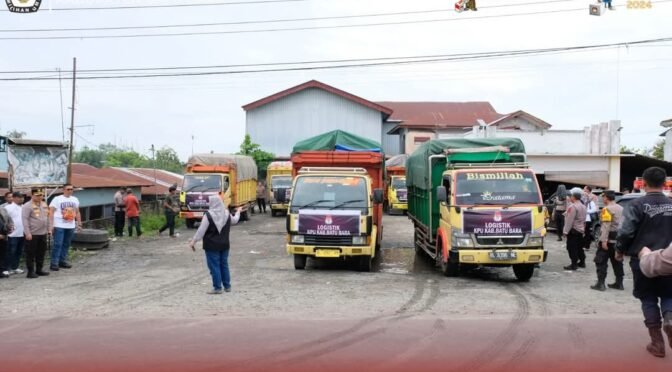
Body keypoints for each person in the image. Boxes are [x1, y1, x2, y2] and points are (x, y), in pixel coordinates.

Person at [616, 167, 672, 358]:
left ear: (644, 184)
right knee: (669, 295)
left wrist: (619, 250)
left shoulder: (635, 205)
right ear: (664, 183)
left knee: (648, 298)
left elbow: (625, 232)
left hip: (642, 260)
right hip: (669, 260)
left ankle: (657, 344)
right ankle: (670, 319)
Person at [189, 195, 241, 294]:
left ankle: (217, 288)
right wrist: (238, 211)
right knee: (224, 265)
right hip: (224, 244)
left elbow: (201, 231)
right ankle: (227, 286)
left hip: (211, 246)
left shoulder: (208, 215)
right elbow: (235, 220)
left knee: (214, 266)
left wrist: (193, 241)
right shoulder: (226, 213)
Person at [591, 190, 624, 291]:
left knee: (601, 261)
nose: (602, 198)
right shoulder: (621, 208)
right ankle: (619, 283)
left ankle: (600, 284)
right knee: (617, 261)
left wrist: (604, 240)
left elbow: (606, 226)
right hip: (618, 239)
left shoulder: (606, 209)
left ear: (606, 198)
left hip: (608, 238)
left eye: (603, 197)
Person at [49, 184, 82, 271]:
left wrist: (79, 223)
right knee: (58, 244)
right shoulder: (57, 199)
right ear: (63, 190)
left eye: (71, 189)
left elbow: (77, 212)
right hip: (59, 224)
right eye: (68, 189)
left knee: (66, 244)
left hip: (70, 225)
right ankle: (54, 263)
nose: (70, 191)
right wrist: (51, 225)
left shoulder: (75, 199)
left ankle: (62, 261)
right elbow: (51, 212)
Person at [22, 188, 50, 278]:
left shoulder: (44, 204)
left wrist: (49, 228)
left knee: (41, 252)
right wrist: (27, 233)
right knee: (31, 253)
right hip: (32, 234)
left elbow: (47, 217)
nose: (39, 197)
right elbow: (25, 220)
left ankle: (39, 270)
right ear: (32, 195)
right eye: (37, 195)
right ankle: (30, 272)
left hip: (43, 233)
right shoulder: (27, 205)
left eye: (41, 195)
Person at [563, 188, 587, 271]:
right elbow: (584, 219)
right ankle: (582, 262)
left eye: (571, 196)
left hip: (573, 230)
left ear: (573, 197)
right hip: (580, 229)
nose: (569, 197)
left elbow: (569, 220)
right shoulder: (583, 206)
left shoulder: (573, 206)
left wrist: (565, 231)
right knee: (579, 247)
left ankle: (574, 264)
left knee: (571, 247)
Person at [5, 191, 26, 275]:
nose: (21, 199)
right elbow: (5, 220)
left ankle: (15, 267)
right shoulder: (8, 208)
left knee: (19, 251)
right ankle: (7, 268)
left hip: (22, 233)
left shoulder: (24, 207)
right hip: (12, 234)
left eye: (22, 197)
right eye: (19, 197)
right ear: (14, 198)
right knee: (10, 252)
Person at [0, 199, 14, 278]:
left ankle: (1, 271)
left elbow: (8, 220)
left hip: (3, 236)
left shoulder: (3, 209)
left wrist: (9, 227)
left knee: (2, 254)